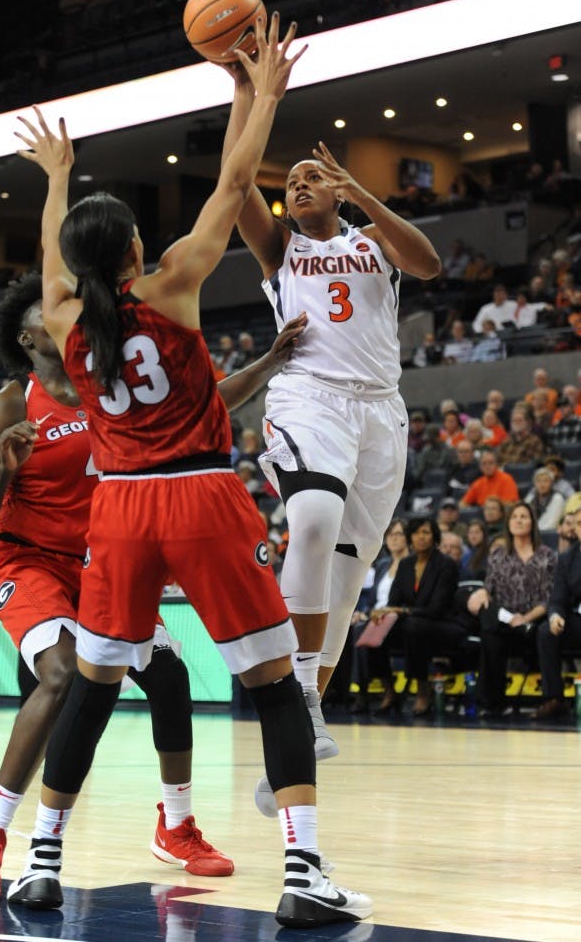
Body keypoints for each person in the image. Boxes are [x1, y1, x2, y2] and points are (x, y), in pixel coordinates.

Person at [8, 24, 372, 927]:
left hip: (120, 510)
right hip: (201, 494)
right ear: (134, 253)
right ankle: (303, 872)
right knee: (273, 680)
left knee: (92, 688)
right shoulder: (173, 286)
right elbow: (236, 185)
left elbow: (54, 254)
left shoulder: (60, 317)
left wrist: (54, 179)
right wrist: (262, 94)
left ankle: (42, 859)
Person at [0, 264, 310, 900]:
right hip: (28, 560)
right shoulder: (12, 404)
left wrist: (269, 363)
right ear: (29, 336)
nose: (64, 313)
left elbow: (204, 405)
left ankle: (176, 827)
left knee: (170, 674)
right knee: (61, 675)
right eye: (49, 310)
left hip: (100, 562)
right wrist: (6, 470)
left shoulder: (105, 382)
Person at [220, 52, 441, 774]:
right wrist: (247, 95)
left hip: (382, 412)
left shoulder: (371, 242)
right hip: (307, 395)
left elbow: (431, 265)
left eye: (312, 175)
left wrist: (366, 200)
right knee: (310, 524)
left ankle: (297, 735)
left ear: (340, 191)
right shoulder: (278, 248)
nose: (299, 184)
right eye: (292, 182)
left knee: (348, 570)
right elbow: (235, 181)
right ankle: (300, 700)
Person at [467, 502, 556, 716]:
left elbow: (548, 598)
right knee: (490, 630)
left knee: (490, 630)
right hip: (504, 621)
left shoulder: (546, 556)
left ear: (532, 523)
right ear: (508, 523)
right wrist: (480, 594)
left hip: (534, 622)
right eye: (514, 516)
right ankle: (492, 704)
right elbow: (490, 589)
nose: (518, 520)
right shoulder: (498, 555)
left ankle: (487, 702)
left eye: (524, 516)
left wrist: (525, 618)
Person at [373, 517, 459, 715]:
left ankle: (423, 690)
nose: (421, 537)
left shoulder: (446, 564)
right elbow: (394, 601)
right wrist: (383, 613)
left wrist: (403, 611)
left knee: (413, 627)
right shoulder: (405, 564)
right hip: (412, 623)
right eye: (416, 532)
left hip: (443, 624)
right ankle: (389, 691)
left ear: (435, 536)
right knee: (375, 628)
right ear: (410, 537)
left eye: (426, 532)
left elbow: (437, 608)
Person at [352, 517, 409, 713]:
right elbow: (374, 599)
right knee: (354, 627)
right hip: (377, 617)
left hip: (398, 618)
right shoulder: (383, 564)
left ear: (408, 537)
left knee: (366, 632)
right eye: (391, 534)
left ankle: (373, 692)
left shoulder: (412, 564)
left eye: (399, 534)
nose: (394, 539)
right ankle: (361, 691)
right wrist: (363, 613)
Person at [535, 505, 581, 720]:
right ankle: (554, 699)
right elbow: (558, 597)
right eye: (579, 524)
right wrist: (555, 616)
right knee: (546, 631)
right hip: (578, 620)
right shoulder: (567, 558)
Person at [524, 467, 566, 531]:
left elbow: (551, 524)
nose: (542, 484)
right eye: (538, 481)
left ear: (551, 483)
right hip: (531, 532)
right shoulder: (530, 497)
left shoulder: (558, 498)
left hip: (548, 534)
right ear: (534, 483)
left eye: (545, 481)